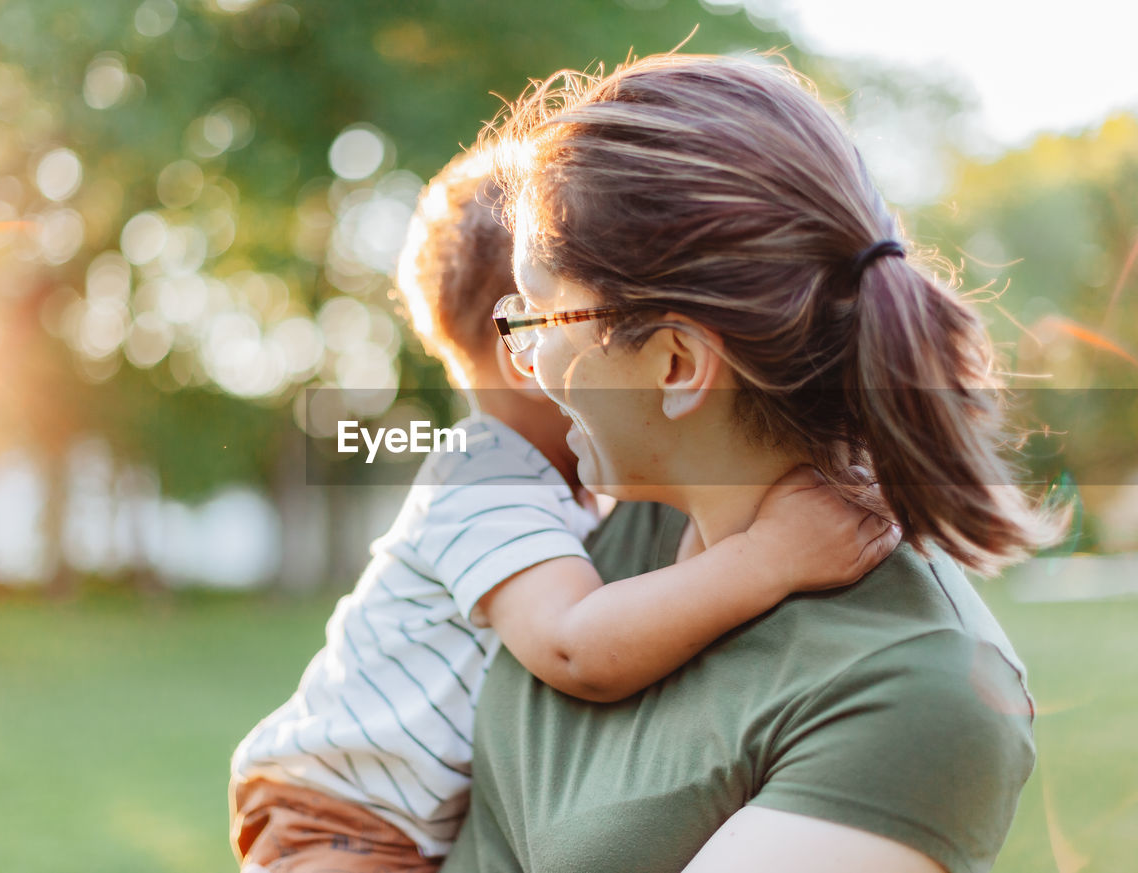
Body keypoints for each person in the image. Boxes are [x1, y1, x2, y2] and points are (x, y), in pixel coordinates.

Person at [440, 55, 1064, 873]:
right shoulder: (606, 515)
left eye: (540, 316)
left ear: (675, 364)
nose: (522, 362)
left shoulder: (916, 692)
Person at [228, 149, 899, 872]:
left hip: (402, 821)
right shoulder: (482, 472)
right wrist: (771, 557)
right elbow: (576, 645)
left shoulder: (576, 483)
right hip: (334, 817)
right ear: (519, 348)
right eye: (551, 321)